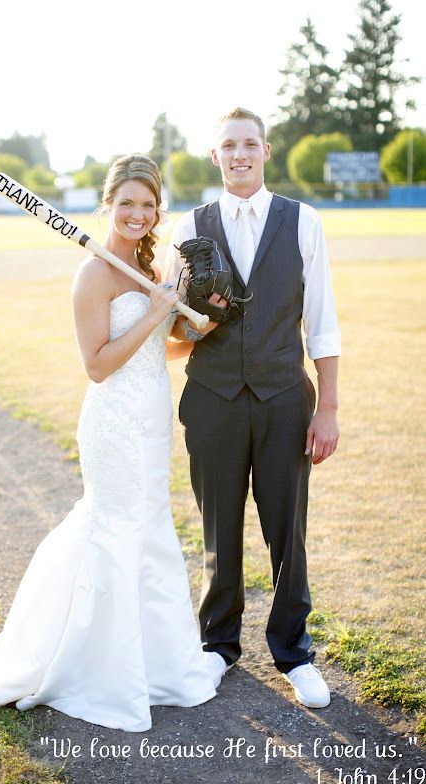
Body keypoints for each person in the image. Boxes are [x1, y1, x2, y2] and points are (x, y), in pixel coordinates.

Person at [0, 154, 216, 732]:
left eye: (147, 204)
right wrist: (155, 309)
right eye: (126, 203)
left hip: (153, 420)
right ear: (108, 205)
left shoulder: (149, 269)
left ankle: (161, 664)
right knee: (114, 529)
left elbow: (158, 350)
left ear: (159, 211)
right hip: (112, 425)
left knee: (152, 531)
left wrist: (197, 326)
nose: (137, 214)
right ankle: (98, 670)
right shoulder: (94, 273)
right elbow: (100, 365)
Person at [165, 108, 340, 709]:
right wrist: (200, 317)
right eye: (227, 146)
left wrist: (330, 409)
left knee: (288, 530)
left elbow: (322, 324)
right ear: (215, 156)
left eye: (249, 144)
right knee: (219, 528)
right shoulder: (189, 224)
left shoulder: (303, 221)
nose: (239, 154)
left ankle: (293, 651)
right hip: (211, 399)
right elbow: (173, 331)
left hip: (284, 399)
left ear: (265, 150)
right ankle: (217, 646)